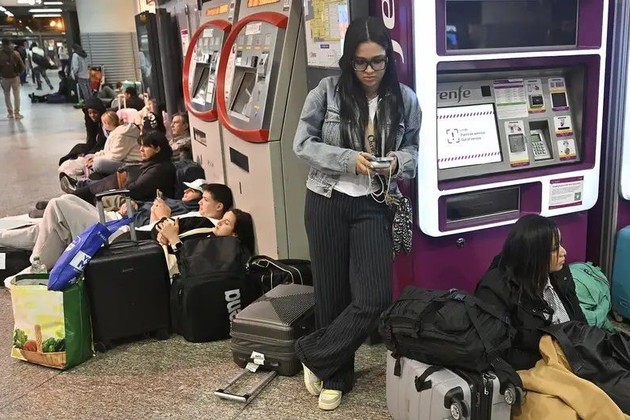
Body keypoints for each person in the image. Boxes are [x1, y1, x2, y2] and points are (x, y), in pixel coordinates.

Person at [291, 17, 421, 411]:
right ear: (348, 60)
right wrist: (349, 160)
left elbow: (414, 152)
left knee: (374, 296)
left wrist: (397, 162)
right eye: (360, 62)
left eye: (377, 61)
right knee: (331, 293)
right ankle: (336, 377)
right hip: (326, 200)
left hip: (374, 203)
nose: (369, 70)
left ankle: (314, 354)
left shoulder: (405, 99)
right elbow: (303, 144)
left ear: (388, 59)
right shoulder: (326, 92)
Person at [475, 214, 587, 371]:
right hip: (539, 367)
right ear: (535, 255)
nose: (563, 252)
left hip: (573, 355)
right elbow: (499, 352)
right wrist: (552, 360)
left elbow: (580, 321)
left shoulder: (558, 272)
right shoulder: (495, 289)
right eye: (554, 249)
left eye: (560, 244)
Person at [61, 130, 176, 204]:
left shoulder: (158, 169)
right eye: (140, 146)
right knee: (102, 181)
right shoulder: (157, 164)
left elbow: (135, 190)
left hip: (140, 202)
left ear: (157, 149)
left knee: (104, 184)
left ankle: (77, 191)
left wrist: (122, 182)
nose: (141, 149)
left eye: (145, 147)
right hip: (138, 197)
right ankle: (77, 190)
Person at [157, 208, 255, 256]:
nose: (219, 222)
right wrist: (162, 233)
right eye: (222, 218)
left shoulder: (222, 253)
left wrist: (173, 238)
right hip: (158, 247)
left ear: (235, 234)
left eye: (226, 223)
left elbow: (189, 264)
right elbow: (164, 224)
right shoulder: (204, 223)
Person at [83, 111, 141, 177]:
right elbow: (108, 151)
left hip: (132, 163)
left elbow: (116, 156)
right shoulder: (115, 132)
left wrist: (95, 160)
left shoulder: (122, 134)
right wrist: (94, 156)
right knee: (88, 157)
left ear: (106, 123)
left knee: (98, 164)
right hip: (121, 160)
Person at [58, 97, 108, 166]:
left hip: (105, 148)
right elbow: (91, 140)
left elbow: (104, 143)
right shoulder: (90, 122)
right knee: (79, 147)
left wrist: (89, 154)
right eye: (90, 113)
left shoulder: (106, 122)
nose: (92, 115)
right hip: (96, 147)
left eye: (95, 112)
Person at [0, 38, 25, 119]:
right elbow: (22, 66)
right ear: (9, 43)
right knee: (16, 95)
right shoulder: (15, 53)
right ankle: (17, 113)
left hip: (4, 77)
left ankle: (10, 113)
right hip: (15, 77)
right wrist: (19, 73)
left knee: (6, 95)